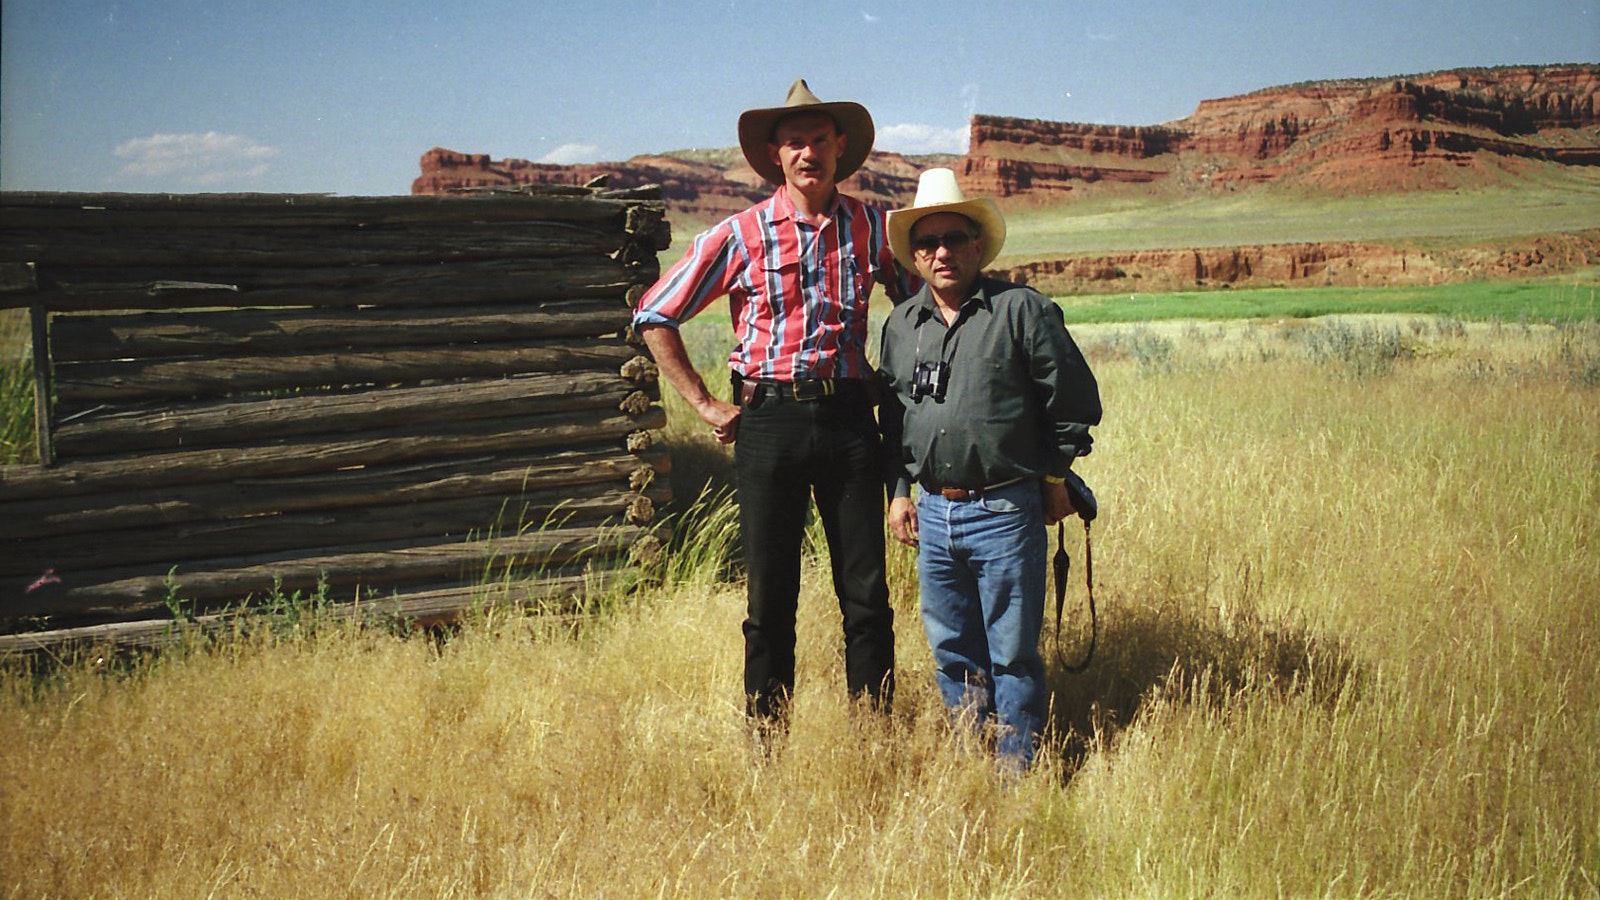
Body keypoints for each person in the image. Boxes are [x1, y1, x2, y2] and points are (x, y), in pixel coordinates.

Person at [633, 79, 919, 739]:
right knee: (770, 600)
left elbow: (919, 311)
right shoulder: (741, 234)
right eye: (795, 142)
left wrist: (892, 378)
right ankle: (769, 743)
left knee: (867, 597)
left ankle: (871, 740)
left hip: (850, 420)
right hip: (769, 422)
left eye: (820, 139)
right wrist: (703, 403)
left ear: (841, 148)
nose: (808, 153)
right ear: (775, 154)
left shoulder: (875, 227)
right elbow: (654, 313)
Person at [877, 168, 1102, 769]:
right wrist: (899, 493)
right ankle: (971, 764)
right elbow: (894, 420)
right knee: (952, 650)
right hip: (934, 514)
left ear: (978, 245)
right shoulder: (901, 326)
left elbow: (1076, 402)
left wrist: (1054, 478)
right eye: (928, 244)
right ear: (915, 257)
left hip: (1005, 511)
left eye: (954, 238)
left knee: (1012, 654)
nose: (942, 253)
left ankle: (1016, 776)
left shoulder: (1021, 311)